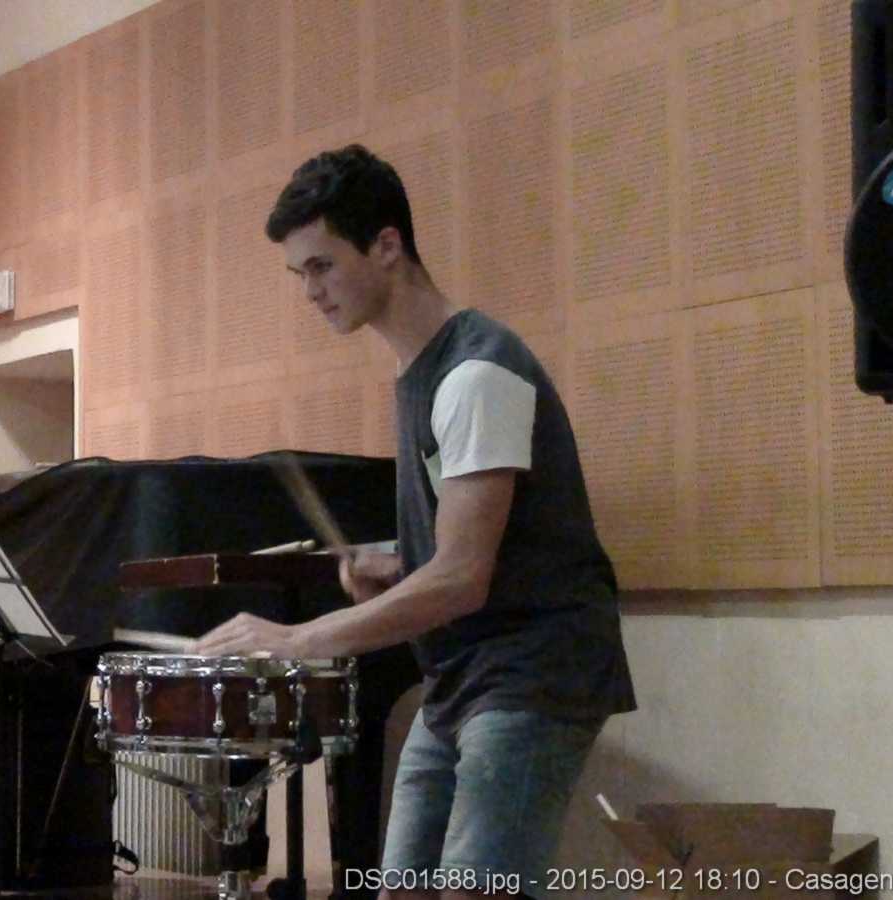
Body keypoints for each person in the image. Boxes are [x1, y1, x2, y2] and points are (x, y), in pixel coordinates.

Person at [192, 145, 636, 900]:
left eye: (322, 266)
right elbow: (484, 540)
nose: (311, 292)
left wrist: (299, 640)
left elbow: (463, 577)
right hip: (466, 674)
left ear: (387, 245)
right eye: (300, 274)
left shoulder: (477, 373)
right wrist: (400, 562)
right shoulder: (421, 371)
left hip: (534, 671)